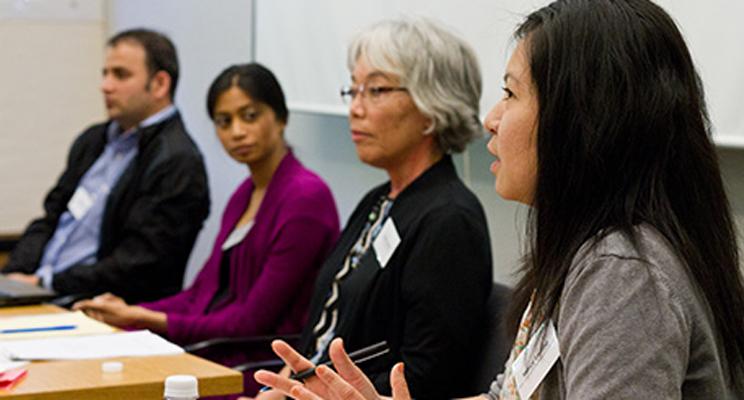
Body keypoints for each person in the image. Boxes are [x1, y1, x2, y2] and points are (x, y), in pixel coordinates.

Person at [252, 0, 744, 399]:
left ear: (581, 119)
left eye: (510, 94)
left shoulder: (622, 270)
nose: (490, 118)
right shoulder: (587, 253)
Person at [247, 18, 493, 400]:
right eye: (353, 89)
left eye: (375, 90)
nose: (355, 109)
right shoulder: (379, 201)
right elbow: (320, 336)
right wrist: (279, 388)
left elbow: (427, 378)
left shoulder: (449, 219)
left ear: (432, 107)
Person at [73, 63, 341, 397]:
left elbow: (251, 322)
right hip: (213, 354)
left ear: (281, 117)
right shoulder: (244, 194)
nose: (237, 132)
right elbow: (200, 295)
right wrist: (128, 313)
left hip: (257, 370)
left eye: (250, 115)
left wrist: (143, 317)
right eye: (224, 121)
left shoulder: (305, 197)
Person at [3, 28, 210, 303]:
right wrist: (15, 276)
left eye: (120, 75)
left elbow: (140, 263)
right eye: (105, 73)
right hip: (42, 294)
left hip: (97, 308)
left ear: (159, 84)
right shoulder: (93, 141)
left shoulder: (179, 161)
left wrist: (45, 282)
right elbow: (50, 218)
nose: (106, 85)